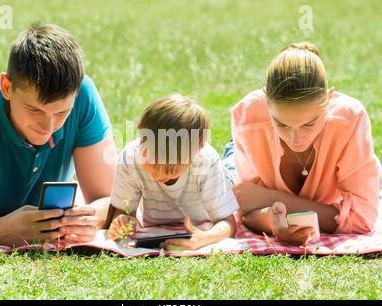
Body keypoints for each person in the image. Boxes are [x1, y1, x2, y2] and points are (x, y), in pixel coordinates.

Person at [0, 23, 117, 247]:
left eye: (61, 112)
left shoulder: (84, 96)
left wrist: (90, 218)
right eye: (35, 110)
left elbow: (109, 200)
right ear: (6, 87)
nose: (48, 126)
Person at [222, 42, 381, 246]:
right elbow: (247, 209)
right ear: (265, 101)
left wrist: (271, 197)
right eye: (282, 124)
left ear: (329, 99)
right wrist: (273, 222)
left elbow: (362, 220)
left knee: (375, 177)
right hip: (237, 148)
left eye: (309, 124)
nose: (295, 139)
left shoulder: (350, 119)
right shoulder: (248, 115)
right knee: (224, 179)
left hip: (350, 152)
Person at [106, 94, 238, 250]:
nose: (157, 174)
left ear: (196, 154)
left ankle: (234, 145)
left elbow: (228, 222)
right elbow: (124, 212)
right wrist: (122, 222)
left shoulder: (206, 161)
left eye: (169, 170)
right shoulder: (130, 157)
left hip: (225, 182)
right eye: (150, 161)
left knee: (234, 168)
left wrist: (205, 238)